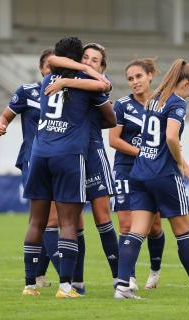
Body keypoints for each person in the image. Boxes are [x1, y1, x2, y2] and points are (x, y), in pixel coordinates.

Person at [114, 59, 189, 299]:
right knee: (184, 232)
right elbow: (172, 137)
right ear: (184, 83)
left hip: (140, 172)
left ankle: (122, 286)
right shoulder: (177, 102)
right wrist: (178, 162)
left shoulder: (154, 99)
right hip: (163, 175)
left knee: (136, 231)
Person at [22, 37, 116, 298]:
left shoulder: (46, 80)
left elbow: (52, 61)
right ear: (77, 59)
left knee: (36, 221)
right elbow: (105, 85)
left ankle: (30, 285)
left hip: (40, 153)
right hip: (68, 155)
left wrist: (65, 79)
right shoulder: (87, 87)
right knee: (68, 222)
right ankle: (66, 286)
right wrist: (85, 71)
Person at [45, 43, 119, 293]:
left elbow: (111, 118)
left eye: (95, 60)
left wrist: (69, 85)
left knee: (102, 217)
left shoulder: (92, 83)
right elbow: (54, 60)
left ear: (102, 66)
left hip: (93, 152)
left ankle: (120, 279)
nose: (89, 62)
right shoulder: (69, 74)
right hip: (69, 155)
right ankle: (77, 281)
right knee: (74, 221)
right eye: (85, 57)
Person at [0, 48, 60, 290]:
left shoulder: (68, 95)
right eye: (49, 67)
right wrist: (0, 125)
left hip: (61, 161)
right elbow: (5, 116)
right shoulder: (28, 92)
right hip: (34, 159)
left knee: (45, 220)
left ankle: (37, 276)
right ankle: (67, 279)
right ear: (42, 69)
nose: (53, 72)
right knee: (45, 218)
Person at [109, 58, 166, 291]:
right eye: (130, 79)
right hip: (125, 170)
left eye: (139, 77)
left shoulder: (162, 105)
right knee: (125, 225)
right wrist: (140, 152)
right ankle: (129, 277)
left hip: (152, 172)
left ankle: (155, 271)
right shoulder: (122, 106)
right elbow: (113, 140)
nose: (134, 82)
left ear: (150, 75)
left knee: (155, 227)